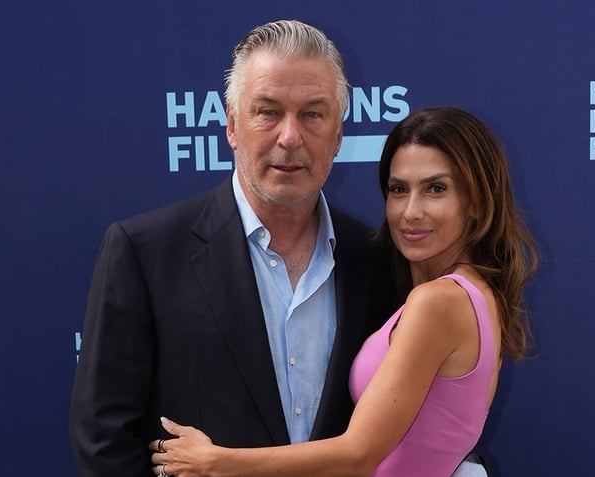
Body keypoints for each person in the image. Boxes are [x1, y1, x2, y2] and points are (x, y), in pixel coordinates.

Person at [70, 19, 487, 477]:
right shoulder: (143, 253)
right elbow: (104, 442)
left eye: (312, 114)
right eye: (268, 111)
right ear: (231, 126)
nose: (290, 137)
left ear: (338, 135)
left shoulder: (378, 260)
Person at [147, 106, 539, 477]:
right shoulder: (477, 293)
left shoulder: (438, 303)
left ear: (476, 201)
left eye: (436, 189)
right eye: (398, 189)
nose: (411, 211)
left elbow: (357, 454)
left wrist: (216, 462)